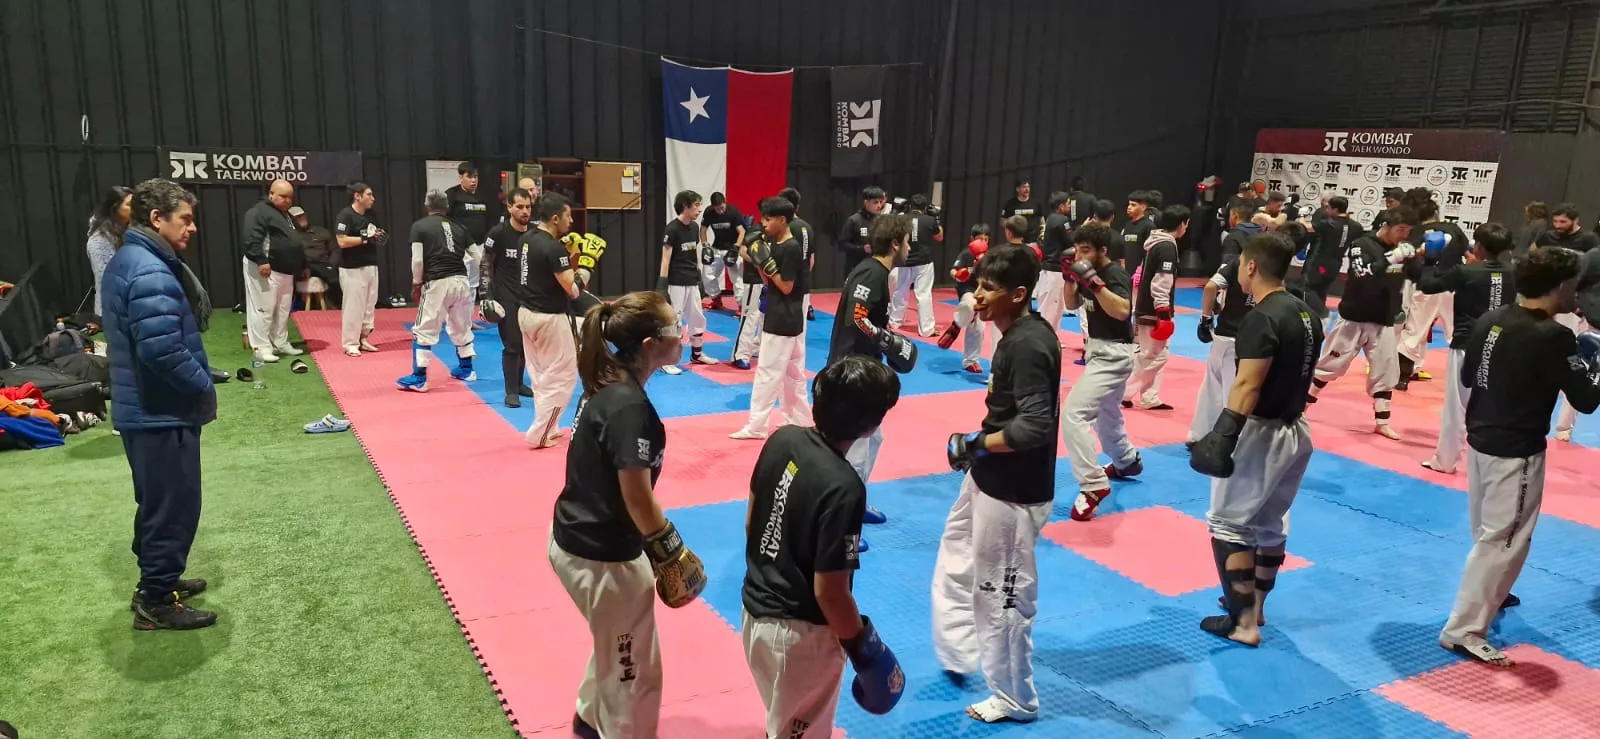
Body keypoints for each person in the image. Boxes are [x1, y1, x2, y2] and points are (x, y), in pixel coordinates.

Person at [549, 291, 707, 737]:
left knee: (620, 642)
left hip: (581, 536)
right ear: (648, 346)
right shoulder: (628, 407)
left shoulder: (609, 381)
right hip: (600, 558)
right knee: (634, 673)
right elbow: (637, 497)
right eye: (674, 328)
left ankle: (587, 719)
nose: (682, 335)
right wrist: (672, 550)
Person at [1439, 246, 1600, 666]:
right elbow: (1585, 400)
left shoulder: (1491, 321)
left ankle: (1496, 590)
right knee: (1504, 538)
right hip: (1516, 451)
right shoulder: (1553, 335)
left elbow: (1469, 375)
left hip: (1481, 439)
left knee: (1489, 533)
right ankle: (1463, 631)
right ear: (1560, 286)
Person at [741, 356, 906, 736]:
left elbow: (753, 520)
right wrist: (864, 650)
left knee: (781, 724)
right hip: (801, 638)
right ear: (871, 426)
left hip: (754, 613)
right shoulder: (845, 488)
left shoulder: (783, 439)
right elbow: (830, 592)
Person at [933, 243, 1060, 724]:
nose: (978, 297)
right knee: (956, 556)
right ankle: (960, 649)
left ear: (1020, 294)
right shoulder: (1014, 335)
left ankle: (1015, 698)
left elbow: (1034, 428)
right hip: (988, 480)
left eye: (990, 289)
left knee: (1003, 595)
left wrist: (975, 444)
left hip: (1013, 490)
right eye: (978, 285)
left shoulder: (1027, 344)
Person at [1188, 231, 1323, 646]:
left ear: (1250, 266)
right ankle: (1258, 608)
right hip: (1295, 431)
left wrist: (1224, 433)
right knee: (1269, 523)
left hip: (1260, 432)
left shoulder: (1261, 317)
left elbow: (1247, 383)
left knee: (1229, 525)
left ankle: (1242, 623)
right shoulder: (1306, 313)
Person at [101, 178, 217, 630]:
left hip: (148, 411)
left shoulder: (134, 259)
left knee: (158, 503)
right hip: (159, 413)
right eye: (185, 219)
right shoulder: (149, 269)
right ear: (156, 218)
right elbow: (162, 351)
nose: (192, 228)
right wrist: (202, 382)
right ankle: (156, 602)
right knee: (173, 505)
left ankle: (159, 582)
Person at [827, 214, 921, 550]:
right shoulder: (873, 272)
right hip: (853, 372)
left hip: (861, 367)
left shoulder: (876, 271)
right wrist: (888, 341)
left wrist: (884, 340)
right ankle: (842, 526)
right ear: (895, 243)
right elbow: (858, 317)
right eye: (907, 242)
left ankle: (856, 502)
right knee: (857, 452)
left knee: (874, 439)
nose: (909, 248)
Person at [1306, 207, 1419, 440]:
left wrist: (1419, 257)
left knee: (1386, 371)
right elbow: (1363, 274)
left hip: (1382, 319)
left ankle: (1382, 422)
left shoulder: (1401, 249)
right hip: (1354, 317)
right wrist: (1392, 258)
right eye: (1401, 229)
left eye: (1408, 230)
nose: (1404, 235)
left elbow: (1415, 277)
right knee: (1329, 366)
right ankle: (1300, 408)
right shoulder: (1362, 244)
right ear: (1385, 226)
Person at [1411, 224, 1516, 474]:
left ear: (1478, 246)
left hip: (1469, 344)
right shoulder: (1513, 272)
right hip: (1502, 344)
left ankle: (1445, 460)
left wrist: (1430, 258)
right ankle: (1493, 460)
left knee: (1457, 405)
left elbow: (1427, 285)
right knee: (1491, 404)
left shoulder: (1467, 272)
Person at [1060, 222, 1142, 521]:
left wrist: (1095, 283)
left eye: (1086, 250)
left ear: (1102, 251)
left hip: (1114, 354)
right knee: (1107, 414)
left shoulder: (1115, 274)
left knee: (1073, 413)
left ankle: (1093, 484)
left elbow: (1122, 310)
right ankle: (1126, 460)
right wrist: (1069, 277)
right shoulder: (1083, 269)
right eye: (1077, 249)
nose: (1080, 255)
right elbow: (1071, 304)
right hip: (1097, 351)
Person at [732, 197, 813, 440]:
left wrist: (767, 264)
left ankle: (756, 426)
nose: (764, 223)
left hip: (782, 319)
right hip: (787, 316)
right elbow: (770, 280)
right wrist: (759, 262)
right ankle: (798, 420)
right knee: (794, 373)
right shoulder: (778, 244)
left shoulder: (791, 247)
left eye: (768, 219)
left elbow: (786, 286)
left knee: (768, 373)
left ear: (782, 220)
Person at [1189, 224, 1262, 449]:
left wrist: (1205, 317)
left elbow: (1210, 287)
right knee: (1235, 391)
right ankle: (1229, 441)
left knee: (1211, 387)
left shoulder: (1234, 264)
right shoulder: (1265, 271)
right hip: (1243, 339)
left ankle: (1198, 435)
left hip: (1221, 335)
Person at [395, 190, 477, 391]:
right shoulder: (460, 227)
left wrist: (416, 281)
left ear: (426, 206)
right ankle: (467, 370)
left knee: (425, 327)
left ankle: (419, 377)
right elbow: (477, 254)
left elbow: (417, 259)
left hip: (437, 281)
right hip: (461, 280)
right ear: (446, 206)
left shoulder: (419, 226)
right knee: (461, 324)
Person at [519, 192, 581, 448]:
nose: (571, 222)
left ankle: (549, 426)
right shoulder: (553, 248)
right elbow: (572, 289)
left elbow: (542, 269)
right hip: (549, 319)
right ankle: (539, 433)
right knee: (563, 376)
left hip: (526, 313)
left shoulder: (527, 239)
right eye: (568, 216)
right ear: (556, 218)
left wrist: (568, 256)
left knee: (542, 373)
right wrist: (586, 264)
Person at [1395, 189, 1470, 389]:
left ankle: (1401, 378)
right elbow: (1467, 253)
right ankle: (1469, 379)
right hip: (1453, 285)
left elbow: (1407, 260)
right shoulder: (1454, 229)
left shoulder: (1416, 233)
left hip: (1425, 286)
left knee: (1413, 333)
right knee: (1459, 333)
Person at [1123, 205, 1188, 411]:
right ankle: (1122, 392)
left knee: (1150, 353)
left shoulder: (1156, 243)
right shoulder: (1166, 247)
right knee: (1156, 355)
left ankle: (1149, 397)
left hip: (1145, 305)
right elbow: (1161, 281)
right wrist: (1163, 311)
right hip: (1152, 309)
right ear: (1181, 224)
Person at [481, 188, 536, 407]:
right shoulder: (498, 233)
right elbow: (486, 264)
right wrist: (485, 296)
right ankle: (510, 391)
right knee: (512, 344)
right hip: (505, 296)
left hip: (529, 297)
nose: (524, 211)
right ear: (509, 207)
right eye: (520, 206)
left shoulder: (534, 234)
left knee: (525, 344)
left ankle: (520, 383)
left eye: (528, 207)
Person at [240, 179, 304, 363]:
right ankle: (261, 347)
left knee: (283, 309)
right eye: (282, 196)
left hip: (285, 269)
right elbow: (251, 237)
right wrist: (261, 260)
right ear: (271, 194)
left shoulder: (285, 215)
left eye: (290, 197)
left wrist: (301, 265)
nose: (287, 200)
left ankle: (280, 342)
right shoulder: (259, 212)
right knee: (263, 308)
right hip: (266, 267)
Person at [656, 190, 717, 368]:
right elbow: (665, 258)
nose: (699, 209)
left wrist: (699, 279)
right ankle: (666, 359)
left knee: (698, 318)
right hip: (676, 282)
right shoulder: (672, 229)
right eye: (696, 205)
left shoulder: (695, 227)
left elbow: (693, 255)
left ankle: (696, 354)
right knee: (673, 320)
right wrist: (662, 285)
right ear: (685, 206)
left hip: (692, 280)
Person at [334, 182, 386, 357]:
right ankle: (350, 343)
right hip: (352, 267)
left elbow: (375, 233)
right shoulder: (345, 215)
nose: (373, 198)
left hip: (371, 264)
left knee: (369, 304)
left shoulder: (371, 215)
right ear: (357, 196)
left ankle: (363, 338)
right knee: (353, 306)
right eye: (369, 194)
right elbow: (341, 241)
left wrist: (378, 237)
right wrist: (365, 238)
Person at [938, 225, 991, 373]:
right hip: (967, 289)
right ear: (972, 239)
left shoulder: (990, 256)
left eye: (986, 239)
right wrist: (957, 275)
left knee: (978, 327)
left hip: (983, 292)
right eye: (980, 239)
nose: (983, 242)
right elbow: (952, 270)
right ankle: (956, 325)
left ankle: (971, 361)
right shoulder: (966, 254)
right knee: (969, 304)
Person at [889, 194, 941, 336]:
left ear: (910, 206)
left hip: (904, 260)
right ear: (924, 208)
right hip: (923, 262)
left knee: (900, 291)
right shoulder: (930, 220)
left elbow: (889, 231)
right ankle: (926, 329)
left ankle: (895, 321)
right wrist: (937, 217)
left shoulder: (901, 218)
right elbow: (939, 236)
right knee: (923, 294)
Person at [1302, 196, 1362, 318]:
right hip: (1336, 263)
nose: (1327, 211)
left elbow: (1306, 228)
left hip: (1321, 263)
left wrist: (1302, 216)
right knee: (1323, 289)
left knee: (1310, 288)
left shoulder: (1329, 224)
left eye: (1329, 208)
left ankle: (1320, 312)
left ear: (1335, 209)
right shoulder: (1356, 226)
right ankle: (1318, 316)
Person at [446, 162, 493, 314]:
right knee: (459, 282)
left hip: (479, 245)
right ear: (461, 177)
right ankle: (453, 316)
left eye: (476, 177)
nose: (473, 181)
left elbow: (488, 220)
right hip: (460, 246)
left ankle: (468, 318)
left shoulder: (483, 196)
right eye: (469, 177)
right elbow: (445, 220)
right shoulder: (452, 195)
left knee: (473, 282)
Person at [86, 185, 133, 318]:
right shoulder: (99, 240)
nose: (134, 209)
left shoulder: (128, 231)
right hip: (113, 313)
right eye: (129, 204)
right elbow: (107, 281)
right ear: (115, 207)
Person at [1034, 191, 1075, 335]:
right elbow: (1071, 241)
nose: (1070, 206)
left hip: (1051, 270)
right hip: (1054, 270)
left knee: (1054, 308)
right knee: (1050, 308)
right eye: (1068, 203)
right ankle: (1041, 337)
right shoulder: (1061, 220)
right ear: (1061, 206)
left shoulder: (1051, 218)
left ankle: (1050, 337)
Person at [699, 192, 745, 312]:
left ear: (725, 202)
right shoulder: (709, 212)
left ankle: (742, 306)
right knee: (707, 275)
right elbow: (703, 230)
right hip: (716, 248)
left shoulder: (733, 212)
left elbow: (742, 232)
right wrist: (705, 246)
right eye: (717, 208)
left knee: (737, 278)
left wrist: (736, 247)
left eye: (722, 208)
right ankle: (716, 300)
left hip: (732, 248)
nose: (720, 211)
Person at [731, 222, 766, 370]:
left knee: (765, 317)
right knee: (749, 317)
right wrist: (760, 262)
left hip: (769, 279)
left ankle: (758, 347)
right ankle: (740, 354)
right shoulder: (755, 231)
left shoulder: (780, 233)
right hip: (754, 279)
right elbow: (743, 252)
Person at [291, 206, 340, 310]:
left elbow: (335, 250)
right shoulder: (291, 235)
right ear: (292, 220)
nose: (301, 218)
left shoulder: (322, 232)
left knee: (335, 280)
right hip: (303, 265)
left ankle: (336, 307)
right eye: (298, 217)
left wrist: (331, 264)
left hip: (323, 264)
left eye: (302, 215)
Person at [838, 187, 885, 284]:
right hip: (856, 269)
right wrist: (861, 249)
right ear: (866, 203)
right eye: (875, 202)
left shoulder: (882, 221)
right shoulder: (854, 220)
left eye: (881, 202)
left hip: (876, 269)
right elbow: (842, 244)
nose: (879, 205)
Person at [1533, 203, 1599, 253]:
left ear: (1575, 220)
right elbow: (1532, 255)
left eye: (1563, 222)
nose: (1557, 225)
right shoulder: (1546, 236)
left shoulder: (1589, 239)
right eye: (1555, 221)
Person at [999, 179, 1043, 246]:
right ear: (1017, 189)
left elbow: (1041, 220)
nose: (1027, 189)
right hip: (1016, 241)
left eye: (1028, 187)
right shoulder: (1010, 204)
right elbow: (1003, 221)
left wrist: (1042, 234)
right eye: (1024, 187)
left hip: (1033, 241)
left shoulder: (1036, 203)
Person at [1119, 191, 1155, 271]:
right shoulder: (1127, 224)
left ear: (1143, 207)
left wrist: (1141, 269)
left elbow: (1149, 253)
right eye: (1129, 204)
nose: (1129, 207)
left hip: (1140, 271)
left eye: (1133, 205)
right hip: (1126, 270)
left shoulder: (1149, 226)